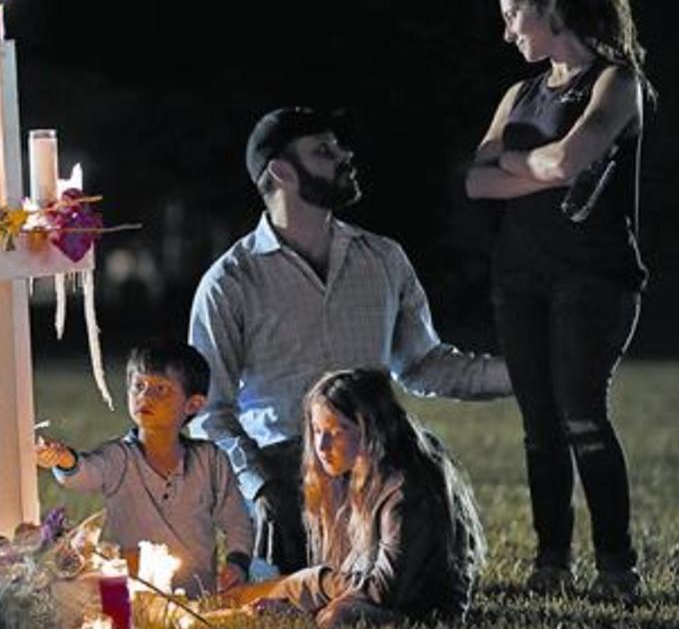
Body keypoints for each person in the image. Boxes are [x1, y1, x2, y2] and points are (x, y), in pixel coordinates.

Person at [189, 106, 512, 574]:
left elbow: (424, 364)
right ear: (281, 171)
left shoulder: (382, 258)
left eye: (338, 146)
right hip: (287, 462)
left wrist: (527, 373)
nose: (345, 156)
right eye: (324, 151)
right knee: (295, 579)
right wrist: (258, 484)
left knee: (424, 472)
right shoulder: (231, 282)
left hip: (376, 455)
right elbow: (209, 412)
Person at [464, 0, 652, 598]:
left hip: (594, 279)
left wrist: (531, 165)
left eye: (514, 14)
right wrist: (537, 165)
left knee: (582, 416)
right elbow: (476, 180)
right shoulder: (519, 95)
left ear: (547, 3)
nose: (509, 31)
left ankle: (616, 566)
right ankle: (551, 561)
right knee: (539, 428)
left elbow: (572, 160)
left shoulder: (616, 82)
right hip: (519, 279)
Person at [236, 370, 486, 625]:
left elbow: (383, 590)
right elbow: (351, 578)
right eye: (317, 430)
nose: (321, 446)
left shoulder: (407, 491)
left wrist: (313, 582)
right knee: (280, 603)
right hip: (367, 601)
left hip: (420, 613)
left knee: (337, 617)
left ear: (371, 427)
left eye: (336, 430)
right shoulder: (346, 478)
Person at [35, 340, 254, 597]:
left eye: (161, 389)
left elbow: (237, 521)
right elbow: (85, 473)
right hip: (132, 595)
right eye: (138, 386)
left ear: (193, 404)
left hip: (196, 597)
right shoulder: (119, 458)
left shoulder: (210, 460)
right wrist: (64, 459)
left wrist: (237, 563)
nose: (145, 396)